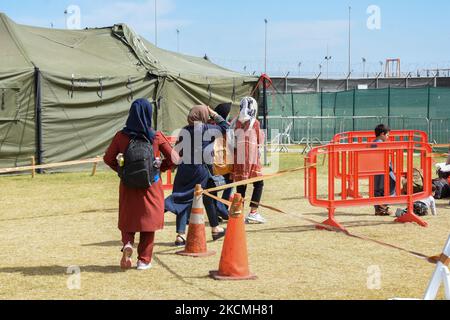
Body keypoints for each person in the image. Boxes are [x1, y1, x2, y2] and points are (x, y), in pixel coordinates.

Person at [104, 98, 179, 271]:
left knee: (128, 218)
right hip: (151, 185)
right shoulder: (156, 136)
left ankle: (128, 243)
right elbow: (175, 158)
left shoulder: (121, 136)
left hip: (128, 185)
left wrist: (121, 171)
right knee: (148, 223)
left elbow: (108, 158)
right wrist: (162, 168)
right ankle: (144, 260)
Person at [165, 105, 229, 246]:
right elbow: (226, 127)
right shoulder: (207, 129)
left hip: (184, 170)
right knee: (209, 197)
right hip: (201, 170)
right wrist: (214, 114)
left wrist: (174, 166)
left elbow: (176, 153)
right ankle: (215, 228)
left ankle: (181, 235)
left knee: (183, 200)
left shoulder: (184, 130)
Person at [231, 97, 266, 224]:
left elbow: (231, 140)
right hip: (251, 158)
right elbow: (259, 141)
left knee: (241, 185)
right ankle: (253, 212)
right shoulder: (254, 122)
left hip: (239, 158)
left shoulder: (234, 122)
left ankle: (239, 211)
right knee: (258, 184)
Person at [373, 124, 396, 216]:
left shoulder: (374, 142)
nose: (388, 137)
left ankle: (381, 208)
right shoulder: (379, 143)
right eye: (387, 135)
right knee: (391, 185)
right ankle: (382, 207)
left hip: (378, 169)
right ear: (382, 134)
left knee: (379, 189)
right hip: (383, 169)